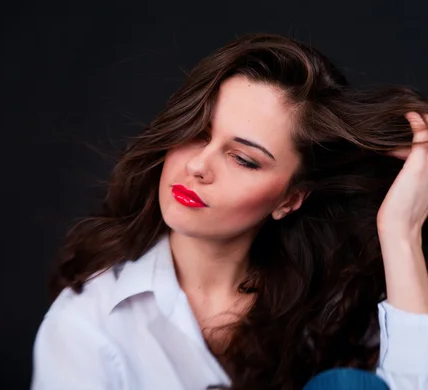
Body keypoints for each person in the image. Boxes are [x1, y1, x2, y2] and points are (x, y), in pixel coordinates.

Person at [31, 33, 428, 389]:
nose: (198, 166)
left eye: (242, 158)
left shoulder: (334, 295)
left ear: (290, 199)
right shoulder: (89, 325)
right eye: (195, 133)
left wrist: (401, 231)